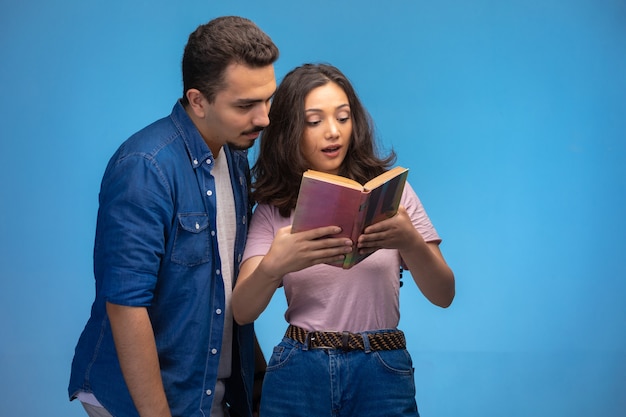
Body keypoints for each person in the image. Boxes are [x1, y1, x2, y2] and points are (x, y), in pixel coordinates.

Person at [68, 16, 279, 417]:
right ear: (198, 101)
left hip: (204, 391)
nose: (264, 118)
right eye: (245, 105)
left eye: (267, 99)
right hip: (144, 401)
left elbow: (221, 286)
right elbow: (125, 308)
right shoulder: (146, 167)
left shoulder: (234, 157)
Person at [231, 63, 455, 417]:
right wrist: (275, 265)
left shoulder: (391, 194)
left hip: (382, 367)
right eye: (314, 121)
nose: (333, 132)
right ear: (291, 129)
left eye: (343, 117)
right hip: (299, 369)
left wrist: (410, 241)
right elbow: (242, 311)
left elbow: (444, 294)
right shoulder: (274, 209)